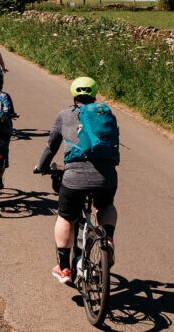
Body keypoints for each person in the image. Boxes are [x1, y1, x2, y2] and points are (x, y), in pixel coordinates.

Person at [34, 76, 119, 285]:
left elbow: (51, 146)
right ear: (95, 93)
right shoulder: (107, 115)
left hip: (75, 178)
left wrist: (42, 167)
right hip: (106, 176)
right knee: (106, 205)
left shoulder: (64, 115)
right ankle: (107, 237)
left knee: (65, 216)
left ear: (74, 95)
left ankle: (64, 268)